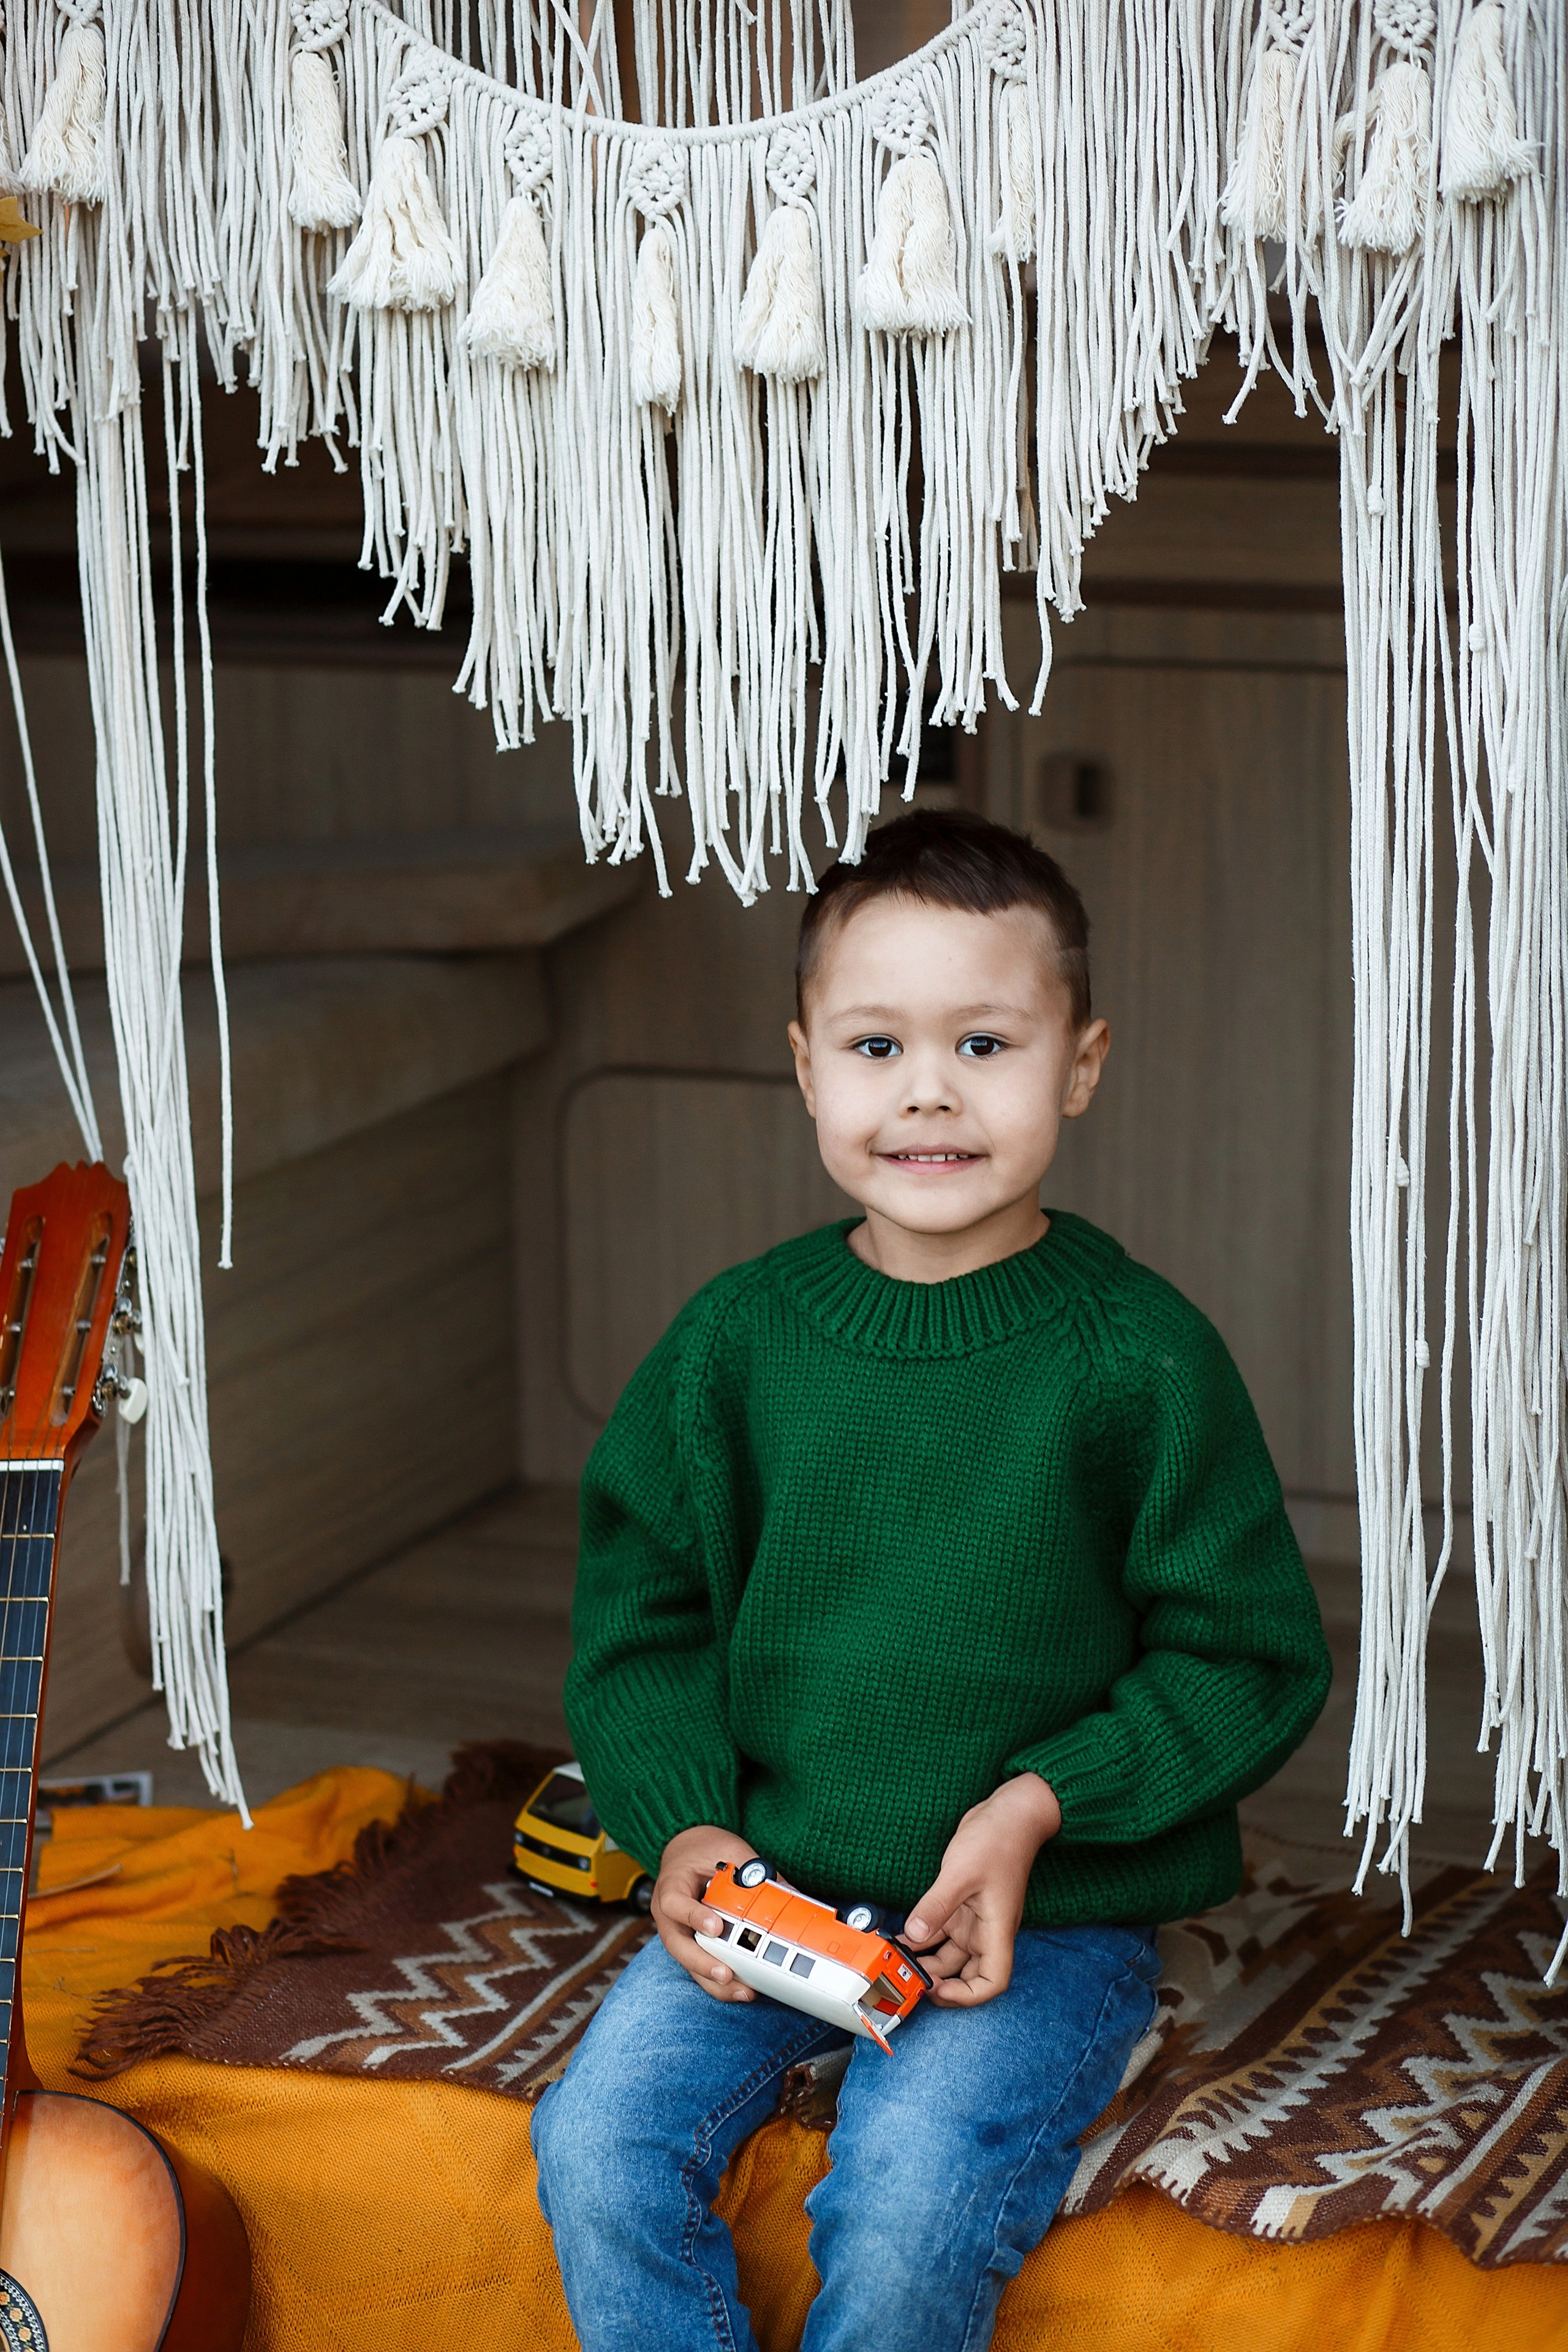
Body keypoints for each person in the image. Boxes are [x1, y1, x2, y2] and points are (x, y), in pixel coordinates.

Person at [532, 807, 1331, 2351]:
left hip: (1041, 1915)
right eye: (876, 1046)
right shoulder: (734, 1343)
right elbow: (643, 1624)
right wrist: (684, 1823)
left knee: (904, 2206)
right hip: (773, 1881)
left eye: (983, 1042)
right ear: (803, 1065)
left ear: (1079, 1065)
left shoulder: (1137, 1358)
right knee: (595, 2145)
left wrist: (1039, 1805)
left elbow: (1245, 1658)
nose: (928, 1094)